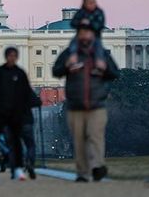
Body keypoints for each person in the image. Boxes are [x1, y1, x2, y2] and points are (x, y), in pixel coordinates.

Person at [53, 23, 119, 182]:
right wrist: (68, 65)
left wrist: (104, 69)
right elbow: (56, 71)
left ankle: (97, 167)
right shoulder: (69, 53)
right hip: (76, 103)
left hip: (97, 103)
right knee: (79, 139)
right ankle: (83, 172)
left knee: (95, 136)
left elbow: (115, 73)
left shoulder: (101, 54)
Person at [0, 46, 35, 181]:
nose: (12, 58)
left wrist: (22, 111)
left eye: (14, 56)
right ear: (6, 56)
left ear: (16, 57)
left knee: (16, 142)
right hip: (0, 113)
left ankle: (18, 169)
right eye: (10, 55)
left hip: (15, 114)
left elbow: (26, 94)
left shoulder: (20, 73)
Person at [69, 0, 106, 66]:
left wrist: (90, 23)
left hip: (94, 36)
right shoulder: (81, 12)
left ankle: (99, 64)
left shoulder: (99, 12)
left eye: (92, 2)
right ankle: (73, 59)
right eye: (88, 3)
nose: (91, 4)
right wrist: (80, 22)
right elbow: (73, 23)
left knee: (98, 46)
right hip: (81, 35)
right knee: (73, 43)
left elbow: (100, 25)